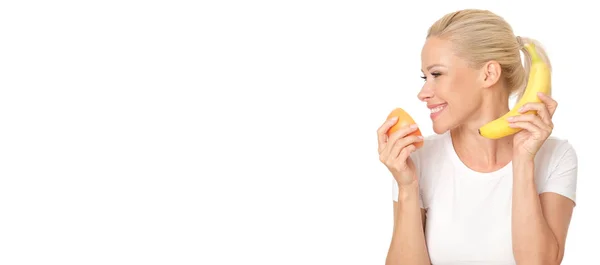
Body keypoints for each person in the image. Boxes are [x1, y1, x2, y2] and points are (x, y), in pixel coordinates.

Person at [377, 9, 577, 265]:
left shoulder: (556, 157)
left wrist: (524, 161)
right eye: (424, 77)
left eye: (436, 74)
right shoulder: (417, 158)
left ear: (489, 74)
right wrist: (407, 187)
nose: (423, 93)